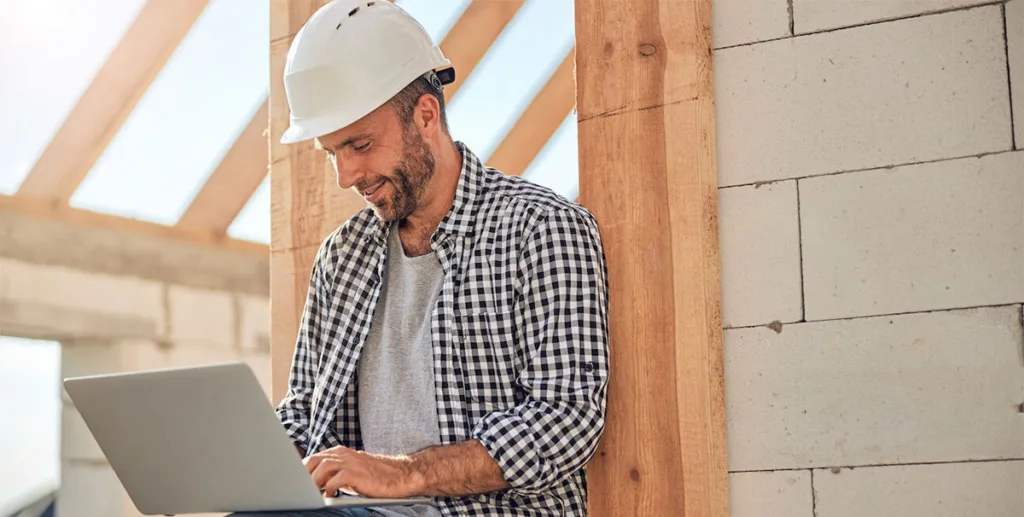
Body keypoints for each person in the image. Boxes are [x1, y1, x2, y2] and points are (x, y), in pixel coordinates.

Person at [234, 1, 610, 516]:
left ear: (426, 116)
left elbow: (564, 419)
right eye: (332, 153)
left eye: (360, 145)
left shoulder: (541, 229)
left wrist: (405, 474)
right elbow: (304, 414)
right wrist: (241, 466)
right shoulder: (342, 258)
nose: (347, 175)